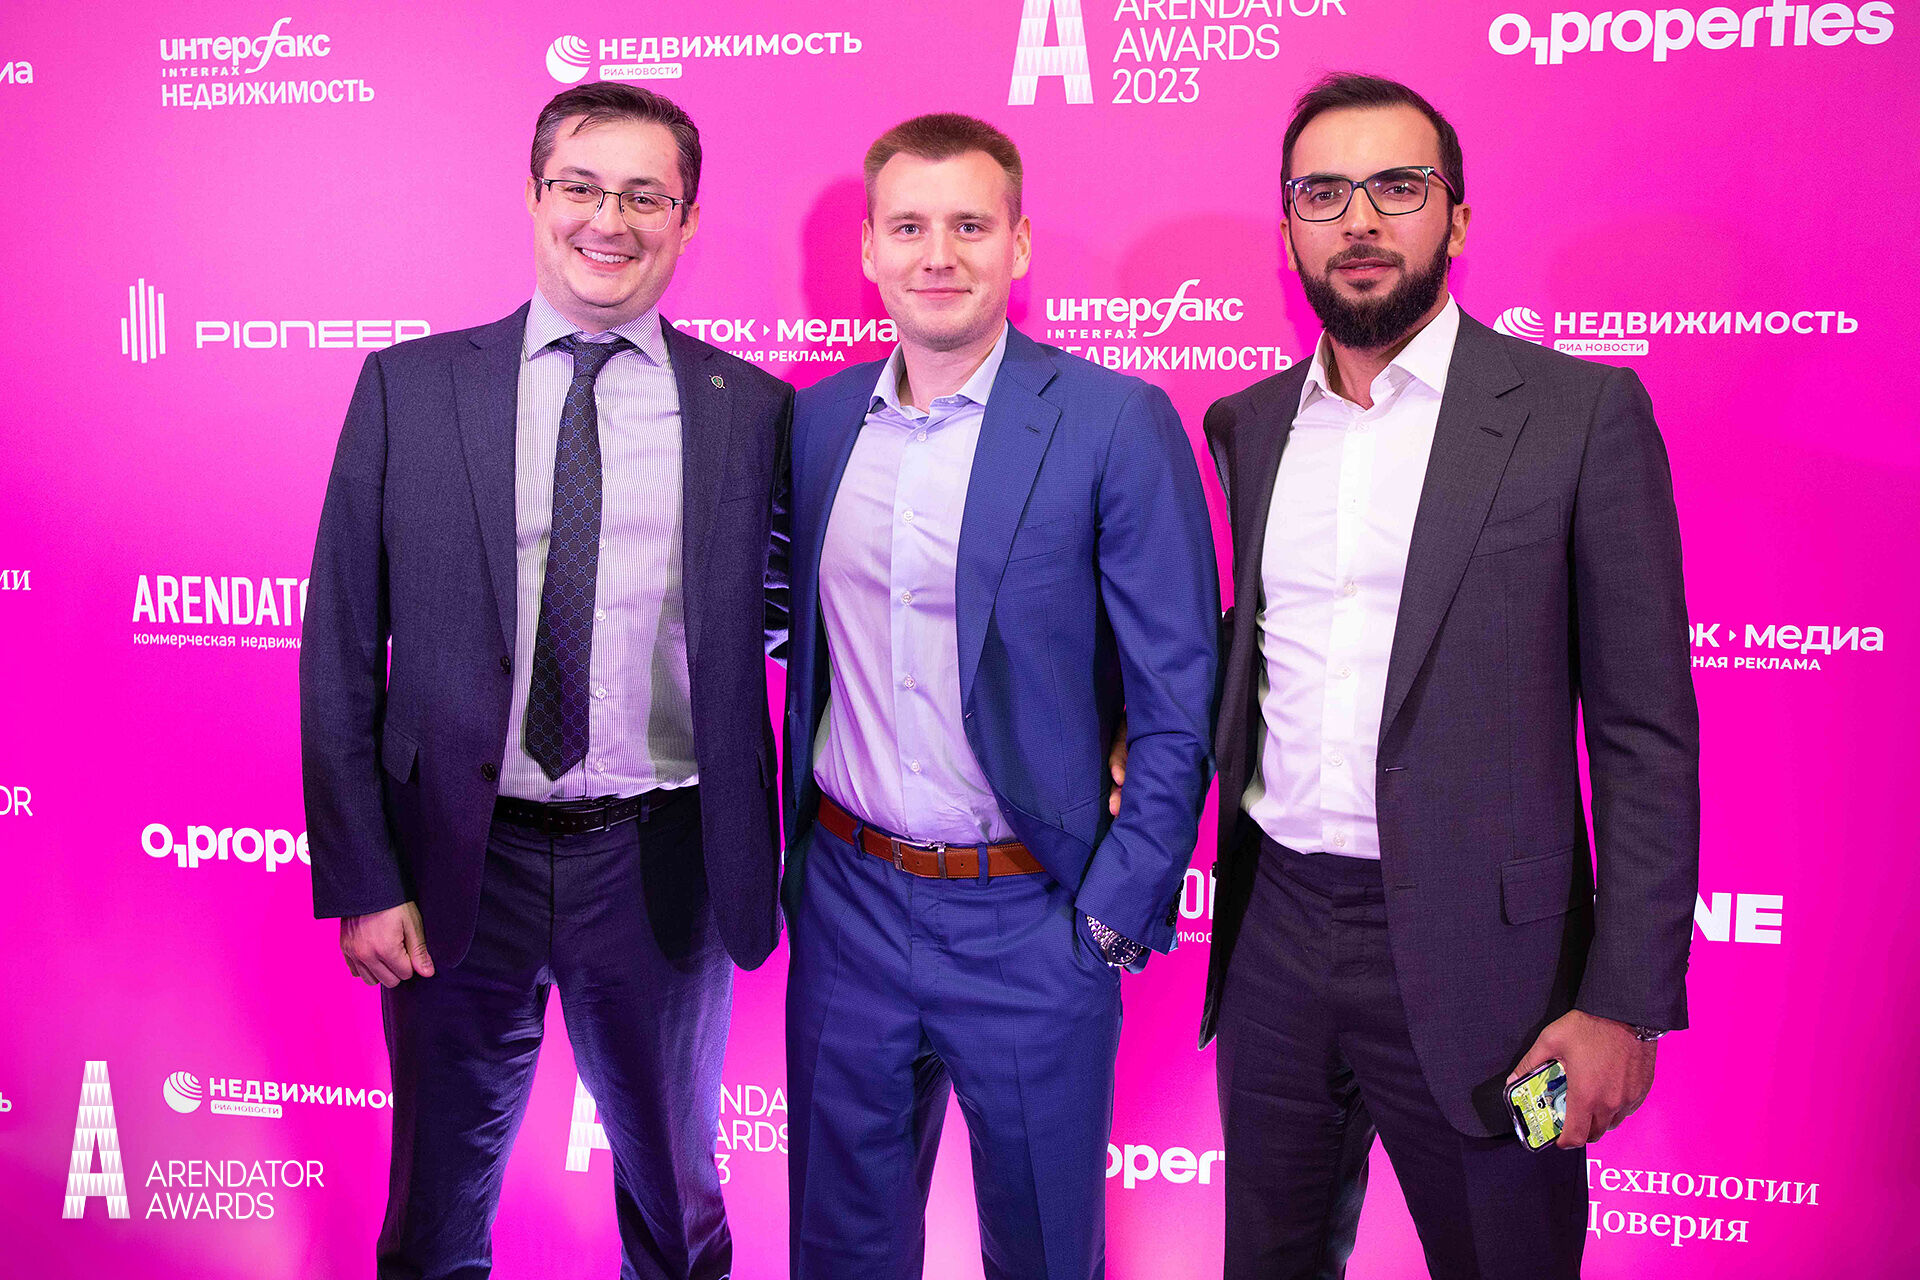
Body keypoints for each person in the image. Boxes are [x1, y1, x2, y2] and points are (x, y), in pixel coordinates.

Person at [1200, 73, 1699, 1278]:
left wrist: (1624, 997)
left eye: (1398, 185)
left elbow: (1644, 729)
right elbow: (1257, 651)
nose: (1360, 220)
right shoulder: (1247, 425)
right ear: (1289, 228)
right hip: (1274, 936)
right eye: (1324, 194)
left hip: (1500, 967)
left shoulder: (1579, 413)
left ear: (1457, 217)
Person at [298, 82, 790, 1280]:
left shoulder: (753, 410)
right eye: (579, 186)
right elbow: (342, 643)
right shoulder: (409, 388)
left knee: (679, 1209)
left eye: (644, 196)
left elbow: (810, 619)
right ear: (533, 196)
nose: (607, 220)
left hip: (663, 857)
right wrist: (365, 873)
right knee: (432, 1213)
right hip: (457, 860)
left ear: (685, 218)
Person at [777, 113, 1219, 1280]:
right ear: (868, 248)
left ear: (1018, 245)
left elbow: (1178, 687)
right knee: (838, 1252)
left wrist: (1117, 905)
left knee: (1043, 1254)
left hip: (1031, 915)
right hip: (848, 904)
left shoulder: (1114, 420)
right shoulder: (814, 423)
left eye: (970, 225)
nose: (938, 254)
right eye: (909, 226)